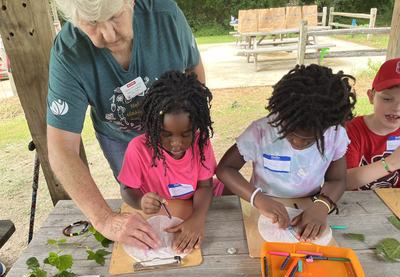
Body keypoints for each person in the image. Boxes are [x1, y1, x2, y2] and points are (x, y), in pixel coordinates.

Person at [46, 0, 205, 249]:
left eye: (114, 16)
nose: (108, 35)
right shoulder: (68, 52)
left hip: (173, 130)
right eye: (91, 24)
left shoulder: (166, 16)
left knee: (183, 193)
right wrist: (105, 219)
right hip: (119, 137)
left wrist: (192, 130)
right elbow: (61, 148)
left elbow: (194, 72)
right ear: (75, 20)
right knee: (140, 201)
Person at [216, 64, 356, 242]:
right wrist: (256, 198)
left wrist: (321, 206)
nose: (298, 142)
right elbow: (225, 169)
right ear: (281, 114)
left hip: (310, 205)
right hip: (263, 204)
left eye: (309, 140)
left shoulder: (334, 134)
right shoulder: (262, 131)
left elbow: (337, 179)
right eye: (290, 133)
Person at [118, 70, 223, 253]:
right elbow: (127, 189)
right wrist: (140, 201)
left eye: (185, 134)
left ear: (196, 127)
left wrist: (197, 218)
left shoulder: (201, 143)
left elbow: (205, 186)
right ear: (153, 127)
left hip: (193, 207)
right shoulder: (138, 148)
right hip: (159, 214)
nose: (176, 143)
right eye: (165, 135)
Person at [346, 58, 400, 190]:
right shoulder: (350, 131)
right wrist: (391, 163)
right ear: (371, 97)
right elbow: (342, 182)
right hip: (357, 206)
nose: (397, 107)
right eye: (387, 99)